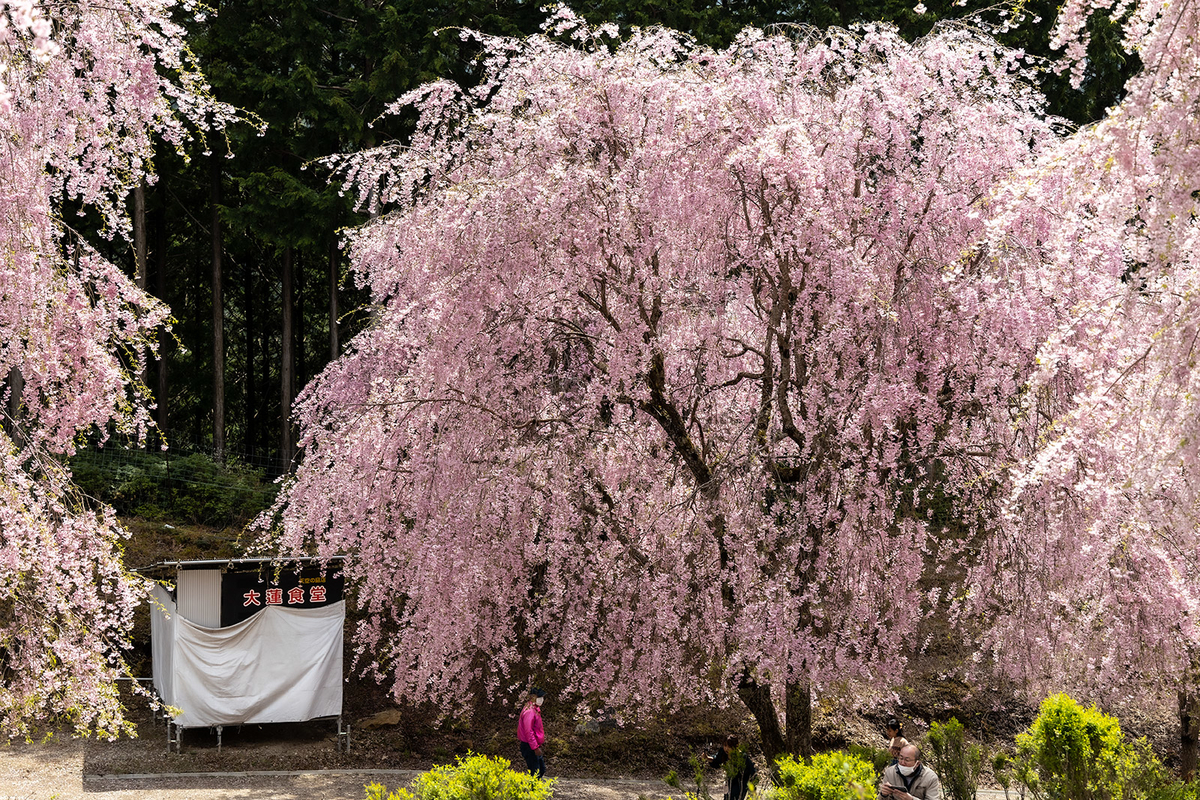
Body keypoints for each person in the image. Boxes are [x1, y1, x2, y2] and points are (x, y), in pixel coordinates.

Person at [709, 734, 757, 800]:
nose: (726, 748)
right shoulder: (723, 753)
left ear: (736, 746)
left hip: (741, 784)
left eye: (729, 746)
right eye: (725, 745)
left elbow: (753, 774)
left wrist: (752, 792)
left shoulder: (743, 757)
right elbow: (716, 761)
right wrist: (707, 758)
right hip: (729, 782)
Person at [517, 688, 547, 778]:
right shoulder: (530, 712)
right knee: (536, 772)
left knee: (541, 769)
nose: (542, 699)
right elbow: (528, 732)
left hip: (533, 744)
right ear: (533, 697)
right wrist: (535, 748)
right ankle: (532, 790)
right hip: (529, 745)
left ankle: (534, 788)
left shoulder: (534, 709)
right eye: (540, 697)